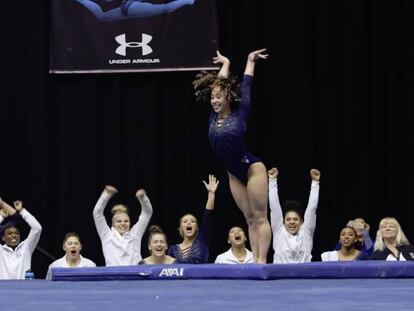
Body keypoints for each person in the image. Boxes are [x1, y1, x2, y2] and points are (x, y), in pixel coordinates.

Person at [193, 50, 271, 263]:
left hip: (252, 168)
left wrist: (249, 61)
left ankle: (261, 262)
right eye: (212, 97)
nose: (214, 100)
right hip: (234, 173)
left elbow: (246, 85)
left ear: (228, 97)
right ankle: (255, 259)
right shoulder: (212, 117)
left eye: (219, 96)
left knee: (260, 217)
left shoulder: (240, 113)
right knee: (249, 218)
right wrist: (225, 63)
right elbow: (220, 82)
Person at [268, 167, 320, 263]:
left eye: (295, 219)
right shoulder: (279, 231)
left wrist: (315, 183)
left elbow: (312, 208)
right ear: (283, 222)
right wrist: (272, 181)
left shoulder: (306, 233)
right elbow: (274, 206)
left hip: (304, 277)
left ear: (301, 222)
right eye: (288, 219)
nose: (292, 222)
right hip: (280, 276)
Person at [93, 185, 153, 266]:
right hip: (114, 276)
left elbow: (147, 213)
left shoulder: (135, 234)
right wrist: (106, 195)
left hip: (135, 276)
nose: (123, 224)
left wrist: (143, 198)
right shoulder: (106, 235)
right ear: (113, 224)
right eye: (119, 221)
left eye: (126, 221)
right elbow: (97, 213)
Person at [168, 174, 218, 264]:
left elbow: (208, 216)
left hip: (200, 278)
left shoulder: (202, 241)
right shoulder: (172, 249)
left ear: (197, 228)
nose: (189, 223)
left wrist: (211, 194)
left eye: (192, 221)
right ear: (180, 228)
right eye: (185, 221)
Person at [0, 199, 42, 279]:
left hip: (24, 290)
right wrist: (1, 216)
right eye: (10, 233)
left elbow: (37, 228)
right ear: (3, 238)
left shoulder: (26, 247)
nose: (14, 235)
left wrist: (22, 211)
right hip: (3, 290)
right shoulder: (0, 250)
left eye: (16, 233)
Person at [73, 0, 195, 22]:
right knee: (168, 8)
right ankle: (189, 0)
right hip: (131, 7)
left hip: (125, 8)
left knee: (101, 17)